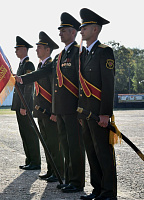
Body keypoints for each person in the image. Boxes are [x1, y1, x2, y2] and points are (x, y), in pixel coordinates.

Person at [78, 8, 117, 200]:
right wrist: (80, 114)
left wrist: (105, 114)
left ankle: (108, 193)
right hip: (85, 114)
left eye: (84, 27)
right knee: (92, 152)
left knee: (103, 153)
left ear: (95, 29)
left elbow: (108, 86)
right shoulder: (84, 54)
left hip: (98, 114)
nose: (81, 30)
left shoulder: (104, 52)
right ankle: (97, 189)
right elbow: (80, 86)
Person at [15, 31, 64, 180]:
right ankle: (51, 170)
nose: (36, 50)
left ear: (47, 50)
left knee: (54, 143)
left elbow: (54, 91)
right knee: (47, 143)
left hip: (49, 111)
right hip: (41, 111)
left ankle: (58, 172)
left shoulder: (50, 65)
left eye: (39, 47)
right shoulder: (40, 64)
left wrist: (55, 111)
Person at [52, 12, 85, 193]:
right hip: (62, 109)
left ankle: (77, 182)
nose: (60, 34)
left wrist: (81, 108)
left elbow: (82, 82)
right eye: (60, 31)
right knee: (65, 145)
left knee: (75, 146)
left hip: (73, 109)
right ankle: (68, 178)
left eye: (63, 31)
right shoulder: (60, 55)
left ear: (73, 33)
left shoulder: (78, 52)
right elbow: (47, 73)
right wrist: (22, 79)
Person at [11, 36, 41, 170]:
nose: (16, 51)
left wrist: (24, 106)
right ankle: (29, 160)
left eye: (17, 49)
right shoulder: (21, 64)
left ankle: (35, 161)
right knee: (24, 133)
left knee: (30, 133)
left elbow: (29, 87)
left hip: (25, 105)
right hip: (19, 104)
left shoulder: (29, 65)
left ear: (24, 49)